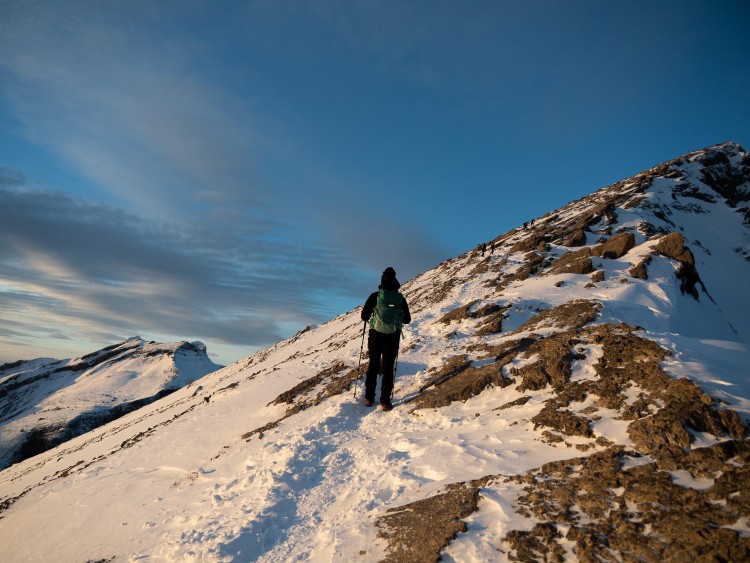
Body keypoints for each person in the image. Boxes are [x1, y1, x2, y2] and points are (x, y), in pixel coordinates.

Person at [361, 267, 411, 411]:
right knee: (388, 367)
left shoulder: (375, 296)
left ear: (382, 280)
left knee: (374, 365)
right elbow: (407, 319)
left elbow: (364, 316)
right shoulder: (400, 299)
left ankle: (369, 398)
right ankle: (385, 401)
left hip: (376, 334)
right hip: (392, 336)